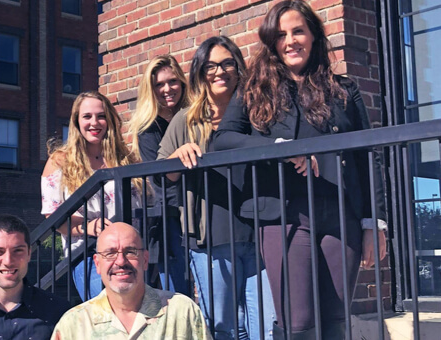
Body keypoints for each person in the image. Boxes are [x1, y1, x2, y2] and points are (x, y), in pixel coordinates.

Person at [211, 1, 388, 338]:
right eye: (281, 35)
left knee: (336, 319)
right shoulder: (254, 90)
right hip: (285, 216)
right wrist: (277, 150)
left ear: (313, 36)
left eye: (298, 31)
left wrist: (373, 223)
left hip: (341, 214)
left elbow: (367, 155)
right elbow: (224, 139)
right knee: (298, 322)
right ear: (271, 42)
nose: (290, 41)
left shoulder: (344, 89)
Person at [157, 36, 275, 340]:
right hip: (211, 240)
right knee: (221, 327)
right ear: (199, 73)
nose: (219, 72)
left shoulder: (258, 113)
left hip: (262, 235)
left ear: (238, 68)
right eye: (210, 66)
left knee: (266, 328)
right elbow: (158, 175)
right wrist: (176, 157)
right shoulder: (186, 119)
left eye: (227, 64)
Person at [41, 91, 142, 301]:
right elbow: (52, 217)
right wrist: (88, 226)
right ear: (77, 122)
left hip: (131, 253)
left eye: (101, 116)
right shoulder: (60, 161)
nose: (94, 122)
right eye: (87, 116)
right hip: (88, 253)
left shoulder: (126, 158)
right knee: (107, 312)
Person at [51, 222, 211, 340]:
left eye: (130, 252)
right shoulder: (74, 325)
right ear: (97, 264)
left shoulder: (182, 311)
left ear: (145, 259)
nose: (120, 261)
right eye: (110, 253)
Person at [126, 54, 191, 296]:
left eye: (172, 81)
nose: (167, 89)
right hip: (170, 216)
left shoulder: (194, 116)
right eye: (159, 84)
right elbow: (159, 177)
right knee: (178, 293)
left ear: (182, 83)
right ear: (150, 90)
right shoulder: (148, 128)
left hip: (202, 209)